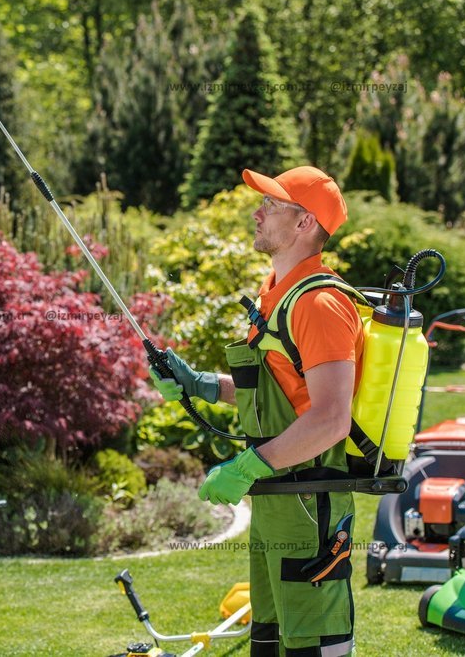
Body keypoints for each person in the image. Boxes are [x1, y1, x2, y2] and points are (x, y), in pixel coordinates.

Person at [151, 166, 363, 657]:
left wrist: (248, 465)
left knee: (313, 644)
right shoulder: (279, 297)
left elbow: (332, 418)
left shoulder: (319, 304)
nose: (257, 211)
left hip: (309, 501)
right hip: (277, 498)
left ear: (304, 223)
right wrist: (201, 386)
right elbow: (286, 399)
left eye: (271, 205)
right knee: (268, 640)